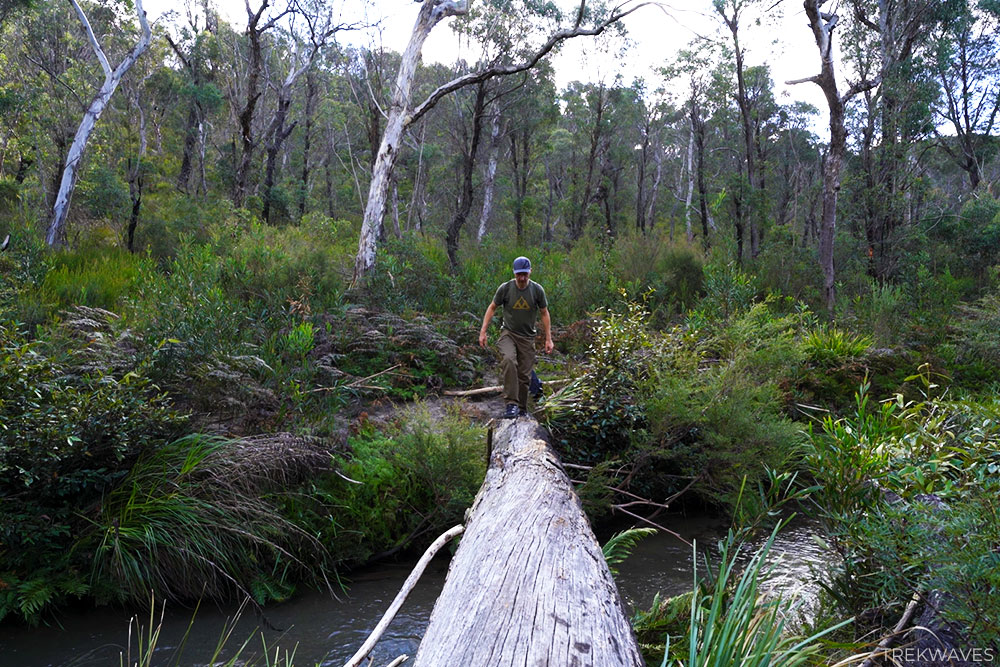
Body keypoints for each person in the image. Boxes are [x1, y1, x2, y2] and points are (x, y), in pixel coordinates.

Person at [479, 256, 554, 418]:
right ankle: (511, 404)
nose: (522, 278)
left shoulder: (537, 290)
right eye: (519, 274)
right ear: (514, 273)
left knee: (524, 375)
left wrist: (549, 338)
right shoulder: (505, 289)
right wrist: (483, 331)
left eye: (525, 274)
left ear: (530, 272)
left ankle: (521, 408)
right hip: (508, 334)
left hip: (527, 338)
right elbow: (492, 308)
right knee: (509, 360)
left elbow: (544, 313)